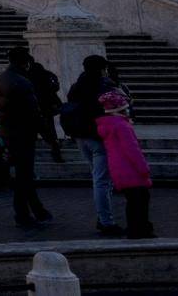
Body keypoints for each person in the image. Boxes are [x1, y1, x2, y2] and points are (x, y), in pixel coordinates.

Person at [0, 45, 53, 228]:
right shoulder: (23, 83)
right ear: (25, 62)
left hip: (6, 130)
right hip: (23, 132)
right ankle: (23, 213)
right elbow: (34, 114)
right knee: (24, 174)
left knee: (23, 173)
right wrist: (49, 136)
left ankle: (36, 210)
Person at [64, 55, 121, 235]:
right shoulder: (104, 87)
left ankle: (103, 216)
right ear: (102, 69)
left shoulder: (77, 86)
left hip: (81, 137)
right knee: (102, 181)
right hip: (98, 137)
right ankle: (106, 221)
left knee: (99, 178)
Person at [96, 90, 154, 239]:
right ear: (119, 110)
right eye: (125, 108)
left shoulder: (108, 125)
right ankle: (140, 231)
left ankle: (135, 229)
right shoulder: (122, 126)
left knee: (133, 201)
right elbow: (133, 151)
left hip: (119, 169)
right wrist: (144, 169)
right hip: (131, 170)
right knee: (140, 200)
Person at [24, 53, 66, 164]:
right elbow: (55, 88)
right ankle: (57, 154)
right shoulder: (47, 74)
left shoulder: (25, 76)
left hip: (32, 109)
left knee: (29, 135)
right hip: (47, 108)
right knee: (51, 133)